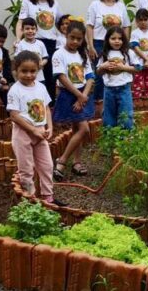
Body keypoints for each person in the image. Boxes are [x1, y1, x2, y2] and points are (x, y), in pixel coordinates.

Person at [7, 51, 64, 206]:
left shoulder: (40, 87)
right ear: (16, 70)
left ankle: (48, 197)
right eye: (24, 71)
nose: (29, 75)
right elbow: (14, 115)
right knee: (26, 169)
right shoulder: (15, 90)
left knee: (47, 165)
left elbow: (46, 108)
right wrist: (32, 130)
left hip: (40, 132)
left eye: (33, 71)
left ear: (38, 70)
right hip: (23, 134)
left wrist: (49, 127)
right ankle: (29, 199)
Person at [51, 21, 96, 181]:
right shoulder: (59, 54)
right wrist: (78, 95)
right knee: (83, 129)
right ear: (66, 35)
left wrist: (83, 95)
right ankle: (62, 160)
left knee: (79, 128)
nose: (75, 41)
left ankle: (76, 162)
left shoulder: (82, 53)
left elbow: (90, 76)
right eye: (72, 38)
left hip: (83, 94)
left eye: (79, 38)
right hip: (69, 95)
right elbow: (62, 77)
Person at [16, 0, 60, 100]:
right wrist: (18, 39)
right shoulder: (27, 1)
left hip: (51, 43)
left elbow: (60, 23)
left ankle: (49, 105)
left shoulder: (55, 3)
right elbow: (21, 21)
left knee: (49, 76)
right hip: (33, 42)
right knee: (31, 73)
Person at [86, 0, 131, 102]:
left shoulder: (120, 6)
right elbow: (89, 26)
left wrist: (125, 43)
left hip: (117, 44)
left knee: (117, 73)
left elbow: (126, 26)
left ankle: (114, 101)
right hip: (99, 44)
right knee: (100, 75)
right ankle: (99, 103)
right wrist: (91, 46)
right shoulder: (95, 5)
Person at [98, 26, 141, 130]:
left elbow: (138, 68)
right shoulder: (104, 54)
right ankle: (110, 139)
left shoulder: (128, 52)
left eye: (120, 38)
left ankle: (127, 139)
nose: (117, 41)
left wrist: (123, 67)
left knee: (126, 115)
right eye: (113, 38)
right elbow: (98, 72)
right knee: (108, 116)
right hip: (109, 90)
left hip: (124, 89)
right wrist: (103, 66)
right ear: (107, 40)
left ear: (124, 40)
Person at [130, 9, 148, 100]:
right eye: (140, 20)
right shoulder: (135, 33)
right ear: (136, 21)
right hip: (138, 63)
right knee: (137, 83)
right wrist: (145, 59)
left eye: (145, 19)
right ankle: (137, 102)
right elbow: (135, 47)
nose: (143, 22)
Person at [14, 17, 49, 87]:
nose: (30, 31)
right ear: (22, 30)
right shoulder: (20, 44)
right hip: (26, 78)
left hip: (40, 78)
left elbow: (45, 58)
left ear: (36, 30)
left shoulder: (40, 44)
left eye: (33, 29)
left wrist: (42, 63)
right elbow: (17, 60)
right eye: (27, 29)